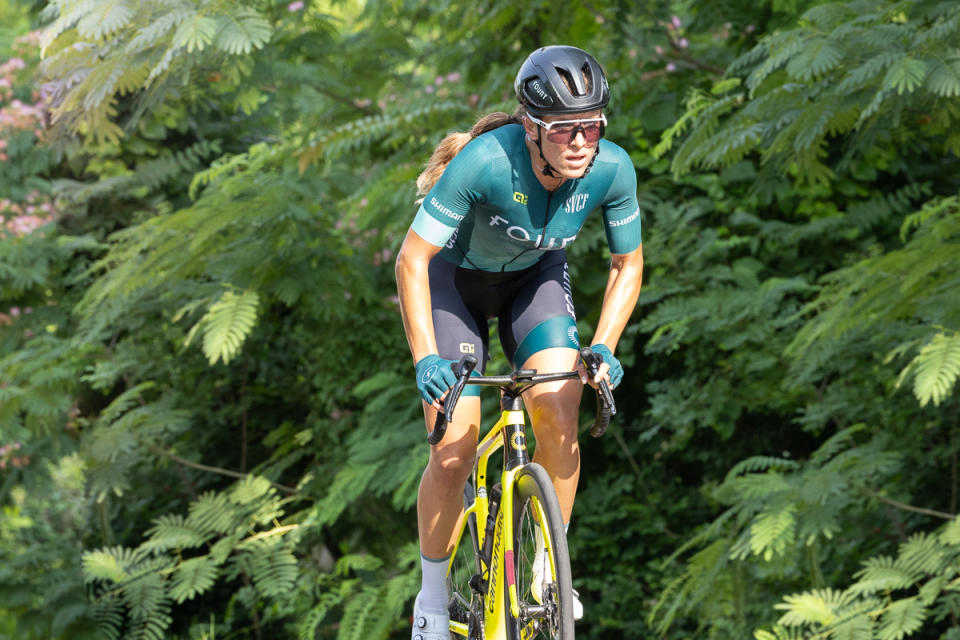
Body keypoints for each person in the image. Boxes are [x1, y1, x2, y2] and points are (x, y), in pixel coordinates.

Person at [395, 45, 644, 639]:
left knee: (560, 411)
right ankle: (431, 603)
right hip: (454, 285)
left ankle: (545, 569)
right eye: (564, 129)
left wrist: (604, 346)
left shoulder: (612, 169)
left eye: (592, 125)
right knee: (453, 450)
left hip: (533, 282)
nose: (581, 141)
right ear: (531, 127)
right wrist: (426, 358)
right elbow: (411, 259)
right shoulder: (485, 162)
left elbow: (626, 264)